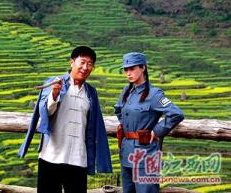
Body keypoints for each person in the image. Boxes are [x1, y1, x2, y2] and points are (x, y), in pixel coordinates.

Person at [18, 46, 112, 193]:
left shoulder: (91, 92)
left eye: (89, 64)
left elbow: (95, 125)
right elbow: (46, 113)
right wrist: (54, 95)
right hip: (51, 157)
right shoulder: (55, 83)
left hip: (78, 159)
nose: (85, 67)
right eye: (82, 62)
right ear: (72, 62)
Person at [114, 52, 184, 193]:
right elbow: (118, 110)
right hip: (127, 152)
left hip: (145, 155)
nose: (128, 73)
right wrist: (128, 125)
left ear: (143, 68)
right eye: (126, 69)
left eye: (132, 68)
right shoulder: (126, 91)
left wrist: (157, 131)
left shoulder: (154, 94)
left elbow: (176, 114)